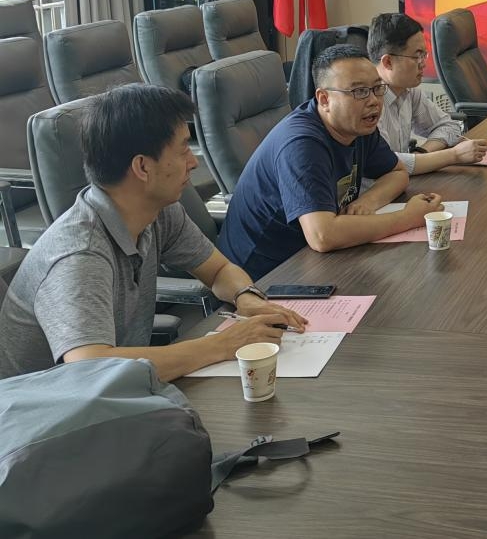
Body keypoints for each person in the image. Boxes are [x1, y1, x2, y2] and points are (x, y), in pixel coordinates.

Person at [0, 84, 307, 381]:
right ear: (142, 167)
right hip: (43, 407)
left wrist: (245, 296)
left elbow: (219, 270)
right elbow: (90, 367)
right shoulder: (80, 254)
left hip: (114, 396)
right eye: (183, 149)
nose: (193, 162)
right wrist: (221, 345)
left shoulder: (158, 211)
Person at [217, 44, 443, 280]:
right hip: (261, 277)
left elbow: (397, 173)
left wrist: (367, 202)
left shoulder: (358, 125)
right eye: (359, 92)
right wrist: (408, 218)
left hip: (314, 259)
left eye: (377, 88)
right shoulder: (302, 144)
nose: (374, 101)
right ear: (324, 99)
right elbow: (322, 236)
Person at [368, 12, 487, 173]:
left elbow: (449, 126)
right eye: (417, 56)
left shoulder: (408, 90)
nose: (423, 64)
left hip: (402, 180)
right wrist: (454, 155)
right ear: (388, 62)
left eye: (424, 55)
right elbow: (386, 163)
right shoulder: (369, 103)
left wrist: (422, 152)